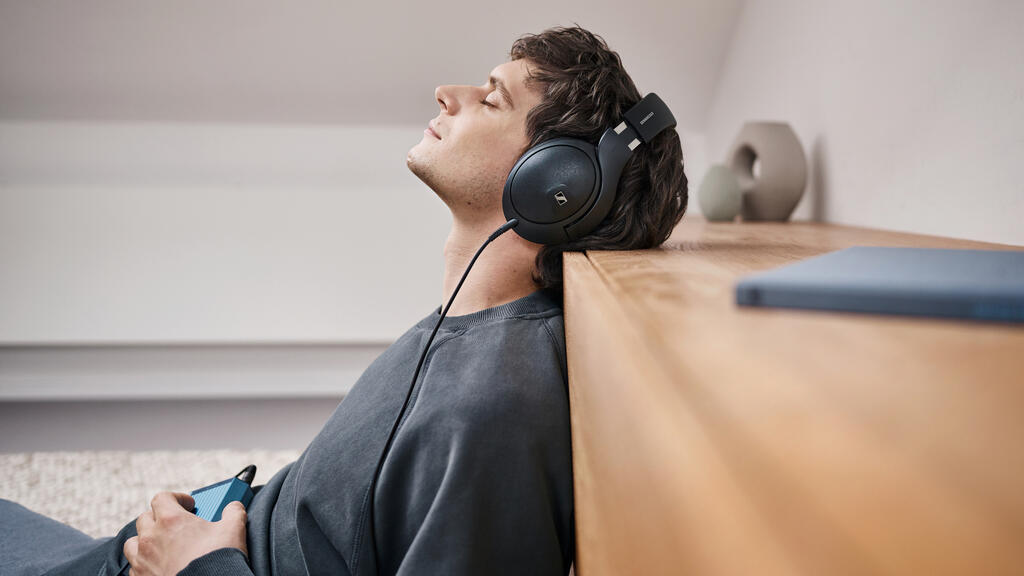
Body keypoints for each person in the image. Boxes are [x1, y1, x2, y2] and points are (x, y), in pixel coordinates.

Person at [0, 24, 688, 576]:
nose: (447, 93)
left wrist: (194, 563)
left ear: (556, 183)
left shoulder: (492, 410)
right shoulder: (474, 336)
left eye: (491, 98)